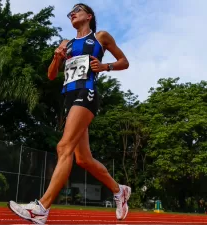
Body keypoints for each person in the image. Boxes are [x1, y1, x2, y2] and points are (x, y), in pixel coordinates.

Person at [8, 3, 131, 224]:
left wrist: (106, 67)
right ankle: (119, 190)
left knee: (63, 147)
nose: (72, 14)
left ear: (89, 16)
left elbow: (125, 62)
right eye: (70, 13)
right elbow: (51, 75)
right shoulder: (67, 44)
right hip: (70, 97)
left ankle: (41, 208)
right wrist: (56, 57)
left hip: (87, 92)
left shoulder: (101, 37)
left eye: (77, 10)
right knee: (83, 159)